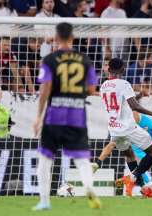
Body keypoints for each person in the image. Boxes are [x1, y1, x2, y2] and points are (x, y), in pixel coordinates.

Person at [32, 22, 101, 210]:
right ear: (73, 37)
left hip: (54, 115)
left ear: (56, 37)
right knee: (82, 159)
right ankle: (88, 187)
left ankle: (44, 201)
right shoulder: (85, 60)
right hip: (77, 115)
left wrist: (38, 116)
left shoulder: (49, 59)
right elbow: (91, 89)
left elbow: (44, 89)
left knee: (45, 159)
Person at [100, 58, 152, 197]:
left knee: (130, 156)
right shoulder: (124, 84)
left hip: (114, 129)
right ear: (122, 69)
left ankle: (144, 188)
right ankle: (133, 177)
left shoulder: (103, 86)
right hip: (128, 127)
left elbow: (119, 103)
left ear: (109, 69)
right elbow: (134, 106)